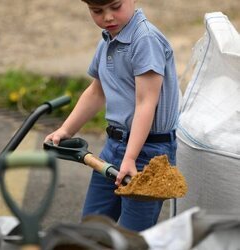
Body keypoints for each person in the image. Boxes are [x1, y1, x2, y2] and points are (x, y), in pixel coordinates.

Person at [44, 0, 179, 232]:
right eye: (97, 11)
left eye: (115, 7)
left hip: (148, 155)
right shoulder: (108, 39)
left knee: (131, 237)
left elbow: (146, 103)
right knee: (91, 229)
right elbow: (96, 92)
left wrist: (130, 157)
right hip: (114, 147)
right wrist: (66, 130)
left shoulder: (145, 39)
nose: (107, 17)